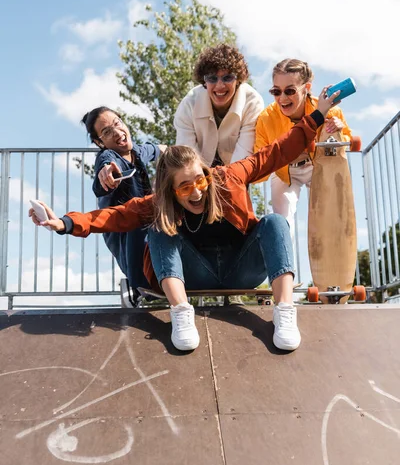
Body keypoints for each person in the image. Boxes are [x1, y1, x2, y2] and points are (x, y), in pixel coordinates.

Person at [29, 87, 338, 353]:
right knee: (159, 231)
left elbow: (278, 151)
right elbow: (113, 216)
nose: (196, 194)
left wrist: (319, 114)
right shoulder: (159, 201)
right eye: (185, 188)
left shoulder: (229, 176)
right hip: (195, 275)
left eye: (199, 182)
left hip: (242, 269)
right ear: (171, 190)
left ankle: (284, 312)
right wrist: (64, 223)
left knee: (275, 222)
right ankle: (181, 313)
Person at [254, 59, 352, 236]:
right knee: (281, 223)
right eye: (276, 91)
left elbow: (347, 142)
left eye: (290, 91)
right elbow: (259, 162)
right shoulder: (266, 118)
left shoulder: (330, 111)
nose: (282, 98)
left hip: (318, 168)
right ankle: (285, 264)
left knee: (327, 221)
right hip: (285, 173)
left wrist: (338, 132)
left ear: (306, 88)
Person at [81, 106, 165, 298]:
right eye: (107, 132)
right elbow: (104, 172)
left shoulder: (136, 151)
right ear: (99, 142)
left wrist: (170, 151)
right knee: (140, 263)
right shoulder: (108, 157)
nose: (118, 133)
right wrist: (106, 174)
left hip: (143, 220)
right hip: (122, 230)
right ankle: (135, 288)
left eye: (117, 124)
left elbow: (152, 149)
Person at [174, 43, 264, 167]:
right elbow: (187, 158)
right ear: (204, 81)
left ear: (238, 80)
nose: (220, 85)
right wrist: (202, 182)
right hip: (199, 169)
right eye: (212, 78)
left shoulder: (252, 103)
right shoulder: (188, 104)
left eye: (227, 78)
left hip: (237, 169)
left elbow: (243, 160)